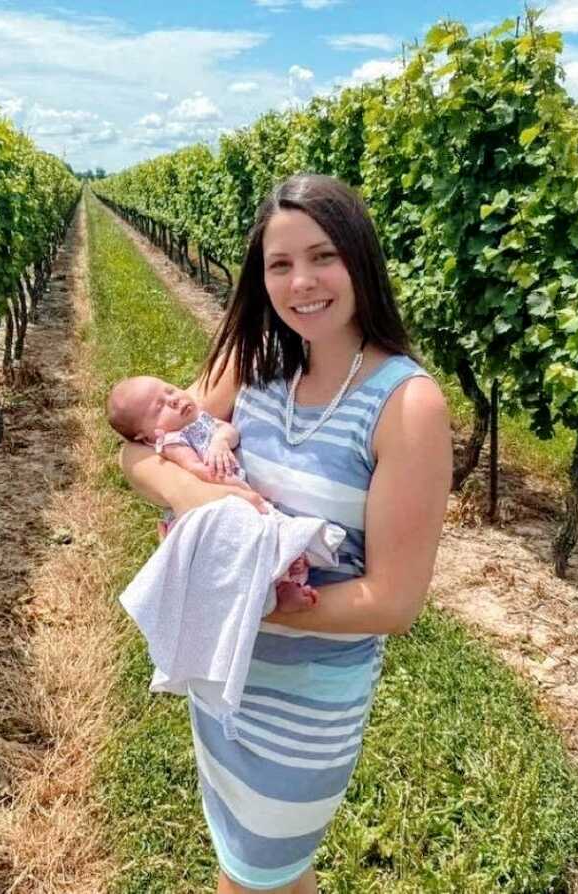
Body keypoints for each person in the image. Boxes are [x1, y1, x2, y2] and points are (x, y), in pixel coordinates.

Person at [118, 173, 452, 894]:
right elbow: (135, 446)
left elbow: (394, 602)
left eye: (322, 256)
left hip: (306, 704)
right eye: (280, 264)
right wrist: (203, 508)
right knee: (255, 862)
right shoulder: (251, 361)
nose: (302, 281)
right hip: (224, 677)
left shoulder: (407, 405)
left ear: (359, 259)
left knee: (255, 872)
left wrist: (243, 593)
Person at [106, 374, 321, 612]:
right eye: (159, 407)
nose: (174, 400)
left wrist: (220, 441)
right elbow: (198, 470)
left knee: (263, 539)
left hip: (236, 496)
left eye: (170, 390)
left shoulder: (203, 420)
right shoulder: (172, 441)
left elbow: (231, 432)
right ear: (145, 435)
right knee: (234, 553)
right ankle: (272, 596)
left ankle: (285, 580)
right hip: (215, 501)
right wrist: (236, 487)